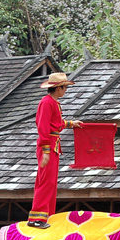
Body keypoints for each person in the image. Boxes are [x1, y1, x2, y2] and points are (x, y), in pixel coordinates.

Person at [27, 72, 82, 229]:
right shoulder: (46, 103)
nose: (65, 91)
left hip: (54, 143)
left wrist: (71, 123)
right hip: (48, 145)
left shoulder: (53, 102)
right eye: (64, 87)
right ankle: (36, 217)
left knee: (51, 182)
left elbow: (55, 123)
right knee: (45, 181)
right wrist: (45, 150)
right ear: (58, 88)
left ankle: (47, 215)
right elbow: (43, 127)